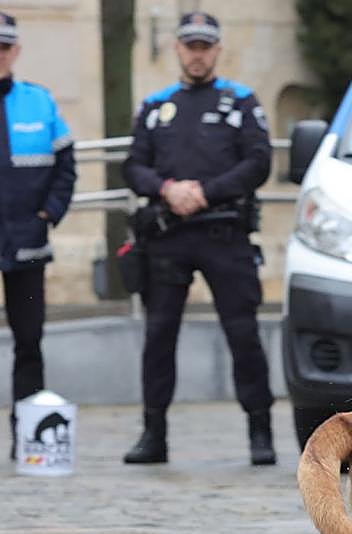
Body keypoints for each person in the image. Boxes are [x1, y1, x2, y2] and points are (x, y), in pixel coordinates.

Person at [122, 11, 275, 466]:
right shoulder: (155, 106)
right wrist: (167, 189)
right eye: (190, 45)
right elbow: (133, 166)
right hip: (167, 236)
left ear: (217, 50)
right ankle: (154, 434)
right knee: (158, 335)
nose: (197, 53)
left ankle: (260, 432)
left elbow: (259, 162)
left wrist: (206, 193)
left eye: (205, 46)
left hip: (224, 234)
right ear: (177, 48)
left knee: (243, 333)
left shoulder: (241, 101)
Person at [0, 11, 76, 459]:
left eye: (3, 47)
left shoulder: (40, 102)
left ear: (16, 51)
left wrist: (49, 212)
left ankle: (27, 441)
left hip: (28, 245)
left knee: (29, 343)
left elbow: (66, 167)